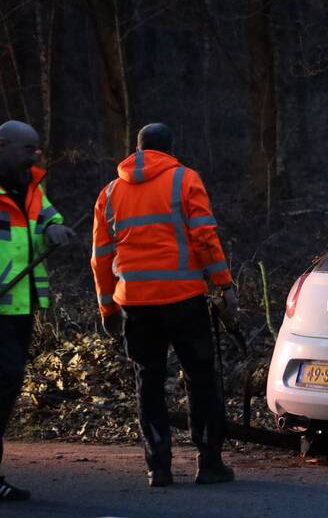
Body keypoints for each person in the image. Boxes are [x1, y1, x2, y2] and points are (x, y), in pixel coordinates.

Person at [90, 123, 238, 488]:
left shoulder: (109, 193)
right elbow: (204, 237)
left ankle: (158, 468)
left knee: (149, 381)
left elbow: (100, 258)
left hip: (135, 305)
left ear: (138, 149)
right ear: (171, 148)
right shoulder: (184, 179)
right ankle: (209, 463)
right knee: (200, 379)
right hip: (183, 299)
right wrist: (223, 284)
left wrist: (107, 309)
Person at [0, 121, 74, 502]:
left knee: (7, 386)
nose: (34, 157)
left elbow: (48, 218)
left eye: (38, 151)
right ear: (3, 145)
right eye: (28, 149)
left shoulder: (31, 187)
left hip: (20, 305)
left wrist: (54, 230)